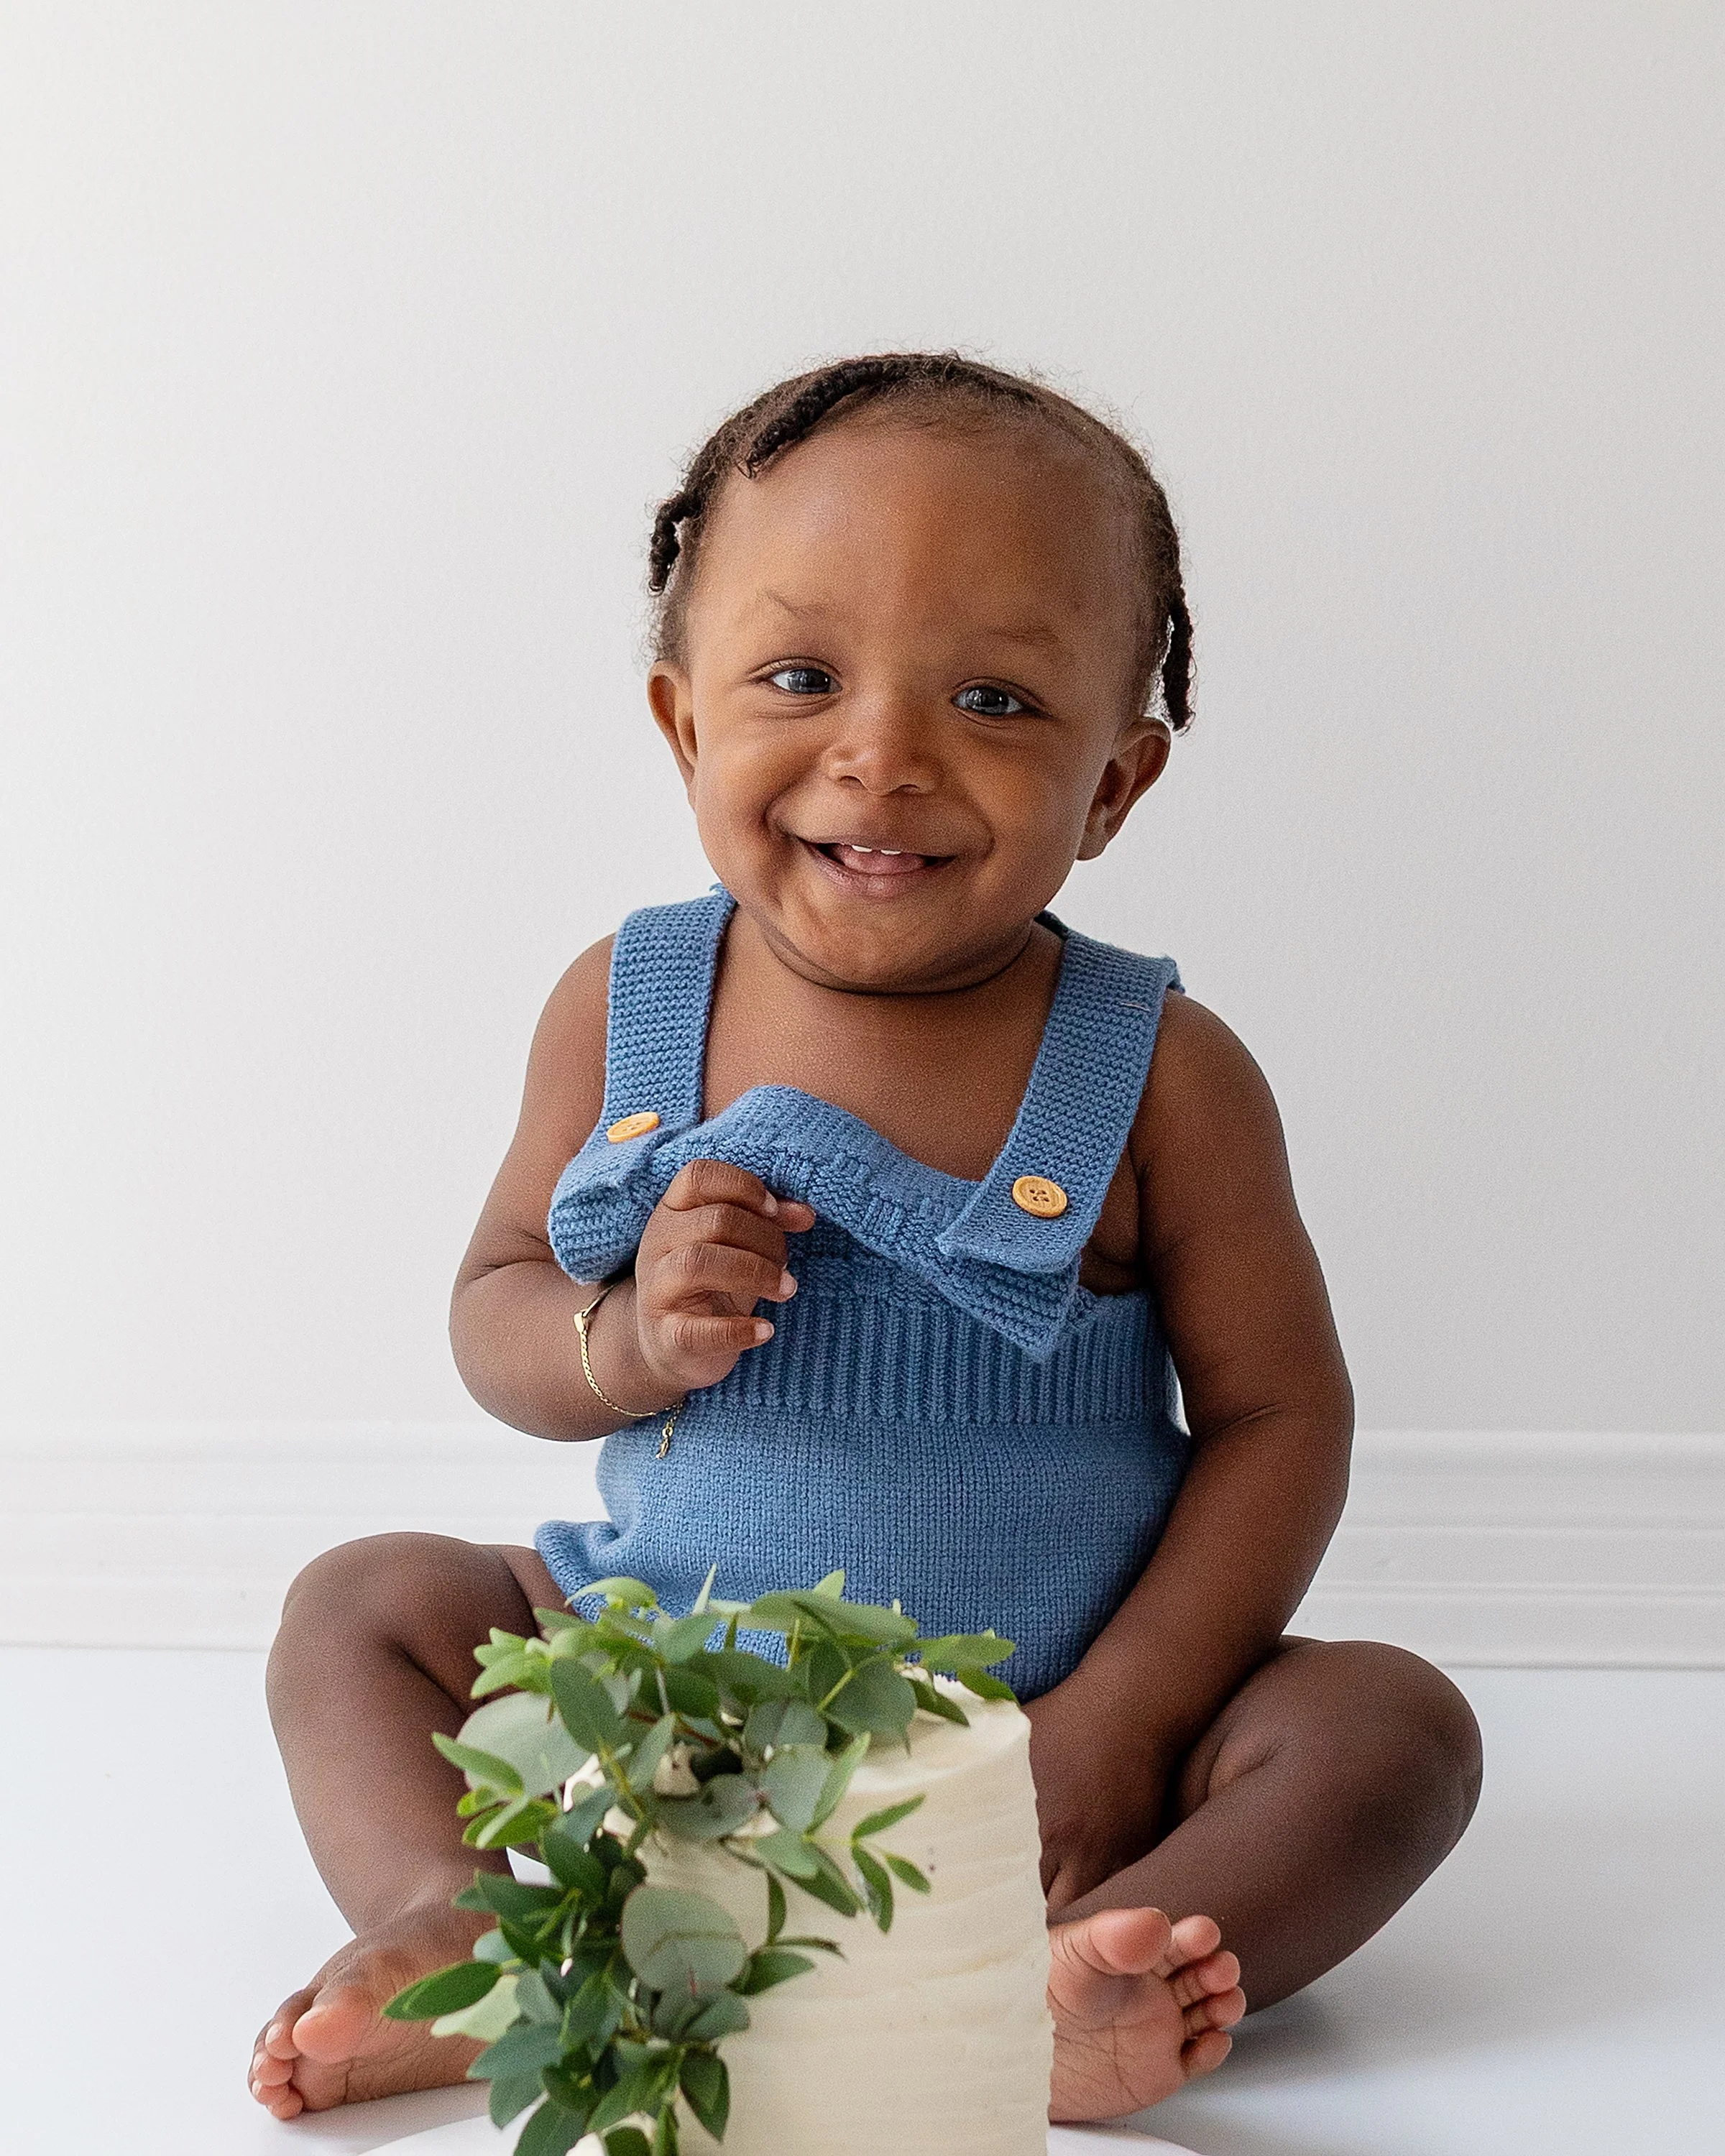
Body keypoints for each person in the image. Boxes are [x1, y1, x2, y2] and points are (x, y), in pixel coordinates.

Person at [249, 353, 1482, 2128]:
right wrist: (624, 1339)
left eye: (991, 697)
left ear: (1115, 784)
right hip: (658, 1695)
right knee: (361, 1606)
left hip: (1047, 1730)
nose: (883, 755)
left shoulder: (1162, 1075)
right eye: (802, 676)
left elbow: (1286, 1422)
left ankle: (1095, 1974)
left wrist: (1127, 1719)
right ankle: (468, 1928)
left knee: (1393, 1732)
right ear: (686, 724)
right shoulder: (628, 1009)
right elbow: (497, 1306)